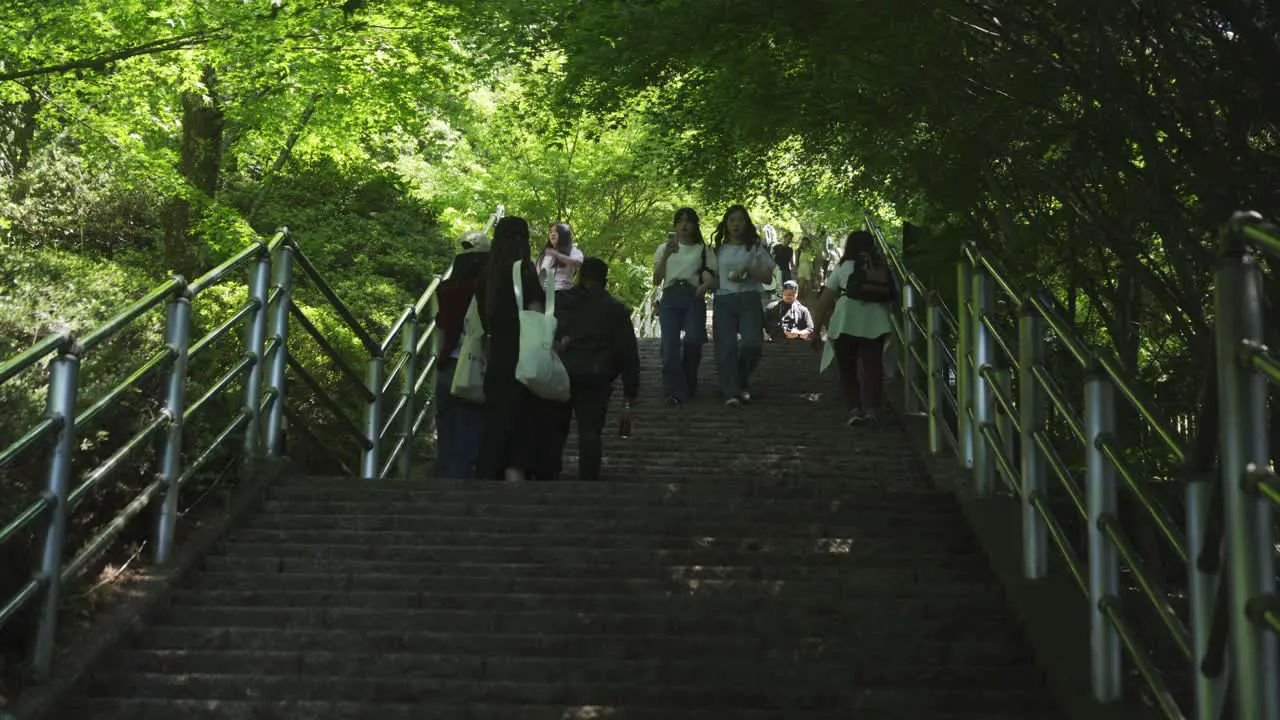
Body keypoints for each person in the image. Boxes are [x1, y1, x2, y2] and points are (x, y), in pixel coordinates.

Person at [543, 257, 641, 481]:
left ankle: (548, 476)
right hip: (595, 376)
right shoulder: (615, 310)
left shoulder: (560, 301)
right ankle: (588, 480)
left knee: (554, 430)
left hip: (560, 372)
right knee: (590, 432)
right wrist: (630, 391)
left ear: (579, 276)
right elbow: (628, 353)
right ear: (604, 280)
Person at [474, 216, 551, 482]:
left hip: (497, 359)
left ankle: (485, 482)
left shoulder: (486, 274)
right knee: (521, 425)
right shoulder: (524, 270)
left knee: (495, 425)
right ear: (521, 239)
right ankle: (513, 486)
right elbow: (536, 311)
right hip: (522, 359)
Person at [810, 230, 899, 425]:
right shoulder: (882, 267)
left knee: (847, 368)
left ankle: (854, 409)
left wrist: (815, 330)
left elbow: (825, 302)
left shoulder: (843, 268)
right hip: (876, 323)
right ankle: (871, 410)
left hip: (846, 322)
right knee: (873, 367)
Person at [432, 230, 489, 478]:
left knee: (447, 437)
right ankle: (459, 499)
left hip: (446, 368)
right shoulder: (486, 289)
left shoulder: (445, 289)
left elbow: (442, 328)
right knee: (469, 435)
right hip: (473, 367)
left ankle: (439, 493)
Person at [712, 205, 775, 407]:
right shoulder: (718, 250)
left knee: (753, 344)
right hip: (724, 300)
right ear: (726, 225)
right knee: (726, 347)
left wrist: (749, 267)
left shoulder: (755, 247)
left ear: (746, 223)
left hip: (749, 298)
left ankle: (740, 380)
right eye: (731, 220)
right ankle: (731, 391)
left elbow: (767, 278)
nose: (736, 224)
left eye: (740, 220)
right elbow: (712, 277)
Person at [653, 207, 717, 407]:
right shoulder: (664, 248)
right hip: (671, 296)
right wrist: (666, 255)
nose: (684, 225)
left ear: (695, 225)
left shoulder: (704, 250)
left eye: (688, 221)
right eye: (679, 221)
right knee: (670, 346)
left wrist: (705, 285)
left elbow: (715, 280)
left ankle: (689, 382)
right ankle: (674, 391)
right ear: (674, 225)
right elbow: (657, 279)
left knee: (694, 340)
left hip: (693, 296)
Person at [537, 222, 584, 291]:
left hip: (562, 293)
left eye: (556, 231)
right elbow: (537, 274)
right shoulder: (544, 253)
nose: (553, 234)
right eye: (551, 232)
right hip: (543, 294)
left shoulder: (573, 250)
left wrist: (557, 255)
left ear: (564, 234)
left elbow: (579, 263)